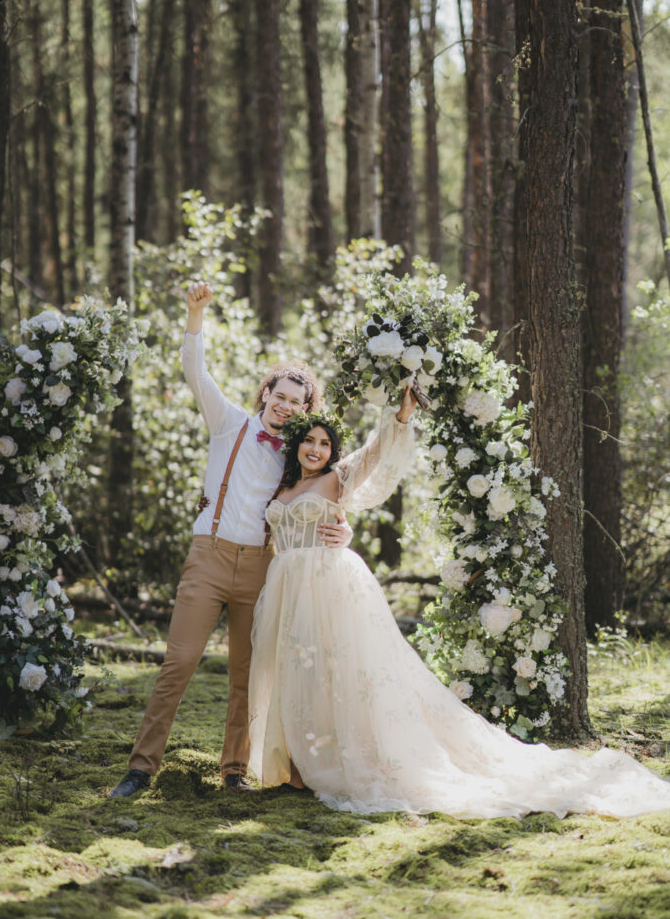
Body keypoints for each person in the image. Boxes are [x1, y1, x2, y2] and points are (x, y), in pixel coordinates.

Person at [248, 401, 670, 818]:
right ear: (297, 445)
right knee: (297, 670)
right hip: (286, 590)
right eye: (309, 441)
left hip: (326, 586)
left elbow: (376, 452)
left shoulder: (336, 480)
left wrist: (401, 415)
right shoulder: (281, 487)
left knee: (337, 671)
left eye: (324, 443)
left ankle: (334, 761)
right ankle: (299, 761)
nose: (316, 449)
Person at [109, 281, 351, 798]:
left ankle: (235, 771)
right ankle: (140, 769)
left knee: (246, 673)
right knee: (179, 662)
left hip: (262, 567)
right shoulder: (229, 423)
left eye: (296, 402)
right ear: (266, 394)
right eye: (279, 396)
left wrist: (343, 527)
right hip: (210, 557)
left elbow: (326, 496)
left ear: (305, 409)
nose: (284, 407)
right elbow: (196, 372)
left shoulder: (298, 456)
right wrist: (194, 315)